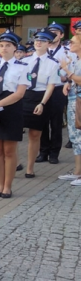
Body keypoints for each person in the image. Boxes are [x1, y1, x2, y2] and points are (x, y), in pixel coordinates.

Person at [0, 31, 29, 198]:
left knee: (9, 150)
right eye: (1, 45)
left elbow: (19, 94)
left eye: (8, 45)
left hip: (11, 107)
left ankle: (8, 186)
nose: (4, 48)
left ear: (15, 48)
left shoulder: (23, 67)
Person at [22, 30, 60, 178]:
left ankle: (30, 168)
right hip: (24, 96)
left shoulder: (52, 64)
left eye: (43, 41)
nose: (38, 43)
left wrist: (42, 103)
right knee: (15, 132)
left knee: (35, 134)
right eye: (37, 40)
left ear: (48, 44)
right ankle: (16, 162)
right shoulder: (25, 61)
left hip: (41, 97)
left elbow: (51, 86)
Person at [37, 22, 71, 164]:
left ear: (62, 35)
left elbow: (72, 71)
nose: (53, 35)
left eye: (56, 32)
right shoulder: (41, 51)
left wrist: (66, 76)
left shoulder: (66, 52)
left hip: (58, 88)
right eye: (50, 32)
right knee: (41, 122)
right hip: (41, 89)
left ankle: (54, 153)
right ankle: (43, 151)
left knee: (56, 122)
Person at [59, 34, 81, 184]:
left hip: (79, 101)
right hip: (74, 99)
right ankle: (77, 171)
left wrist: (68, 71)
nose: (70, 44)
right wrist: (68, 82)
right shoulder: (77, 60)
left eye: (73, 41)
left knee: (80, 136)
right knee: (74, 136)